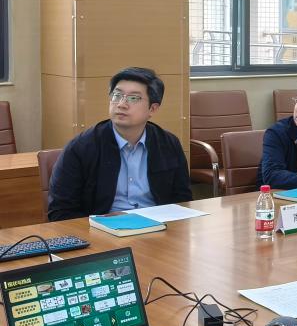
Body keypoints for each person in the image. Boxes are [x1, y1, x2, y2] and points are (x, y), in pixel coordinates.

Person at [48, 67, 191, 221]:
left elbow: (182, 200)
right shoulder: (81, 147)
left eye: (133, 98)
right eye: (117, 95)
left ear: (152, 109)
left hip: (159, 227)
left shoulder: (168, 144)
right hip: (102, 229)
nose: (122, 104)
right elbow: (60, 211)